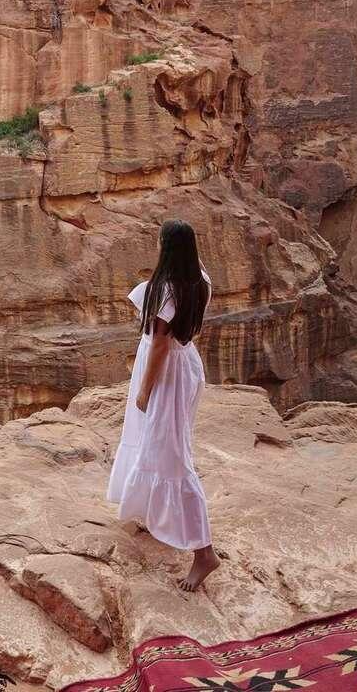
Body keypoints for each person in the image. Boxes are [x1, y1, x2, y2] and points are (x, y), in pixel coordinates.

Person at [107, 219, 219, 592]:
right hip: (185, 366)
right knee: (156, 444)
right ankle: (151, 512)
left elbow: (158, 345)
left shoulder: (164, 290)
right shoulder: (199, 281)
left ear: (165, 248)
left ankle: (204, 552)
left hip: (166, 374)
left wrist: (145, 390)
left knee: (173, 458)